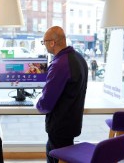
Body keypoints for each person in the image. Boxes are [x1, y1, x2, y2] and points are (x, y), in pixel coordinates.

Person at [36, 26, 88, 163]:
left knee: (55, 157)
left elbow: (46, 104)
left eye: (44, 42)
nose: (44, 45)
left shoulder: (60, 64)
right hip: (72, 122)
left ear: (52, 42)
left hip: (60, 126)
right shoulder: (79, 58)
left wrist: (38, 103)